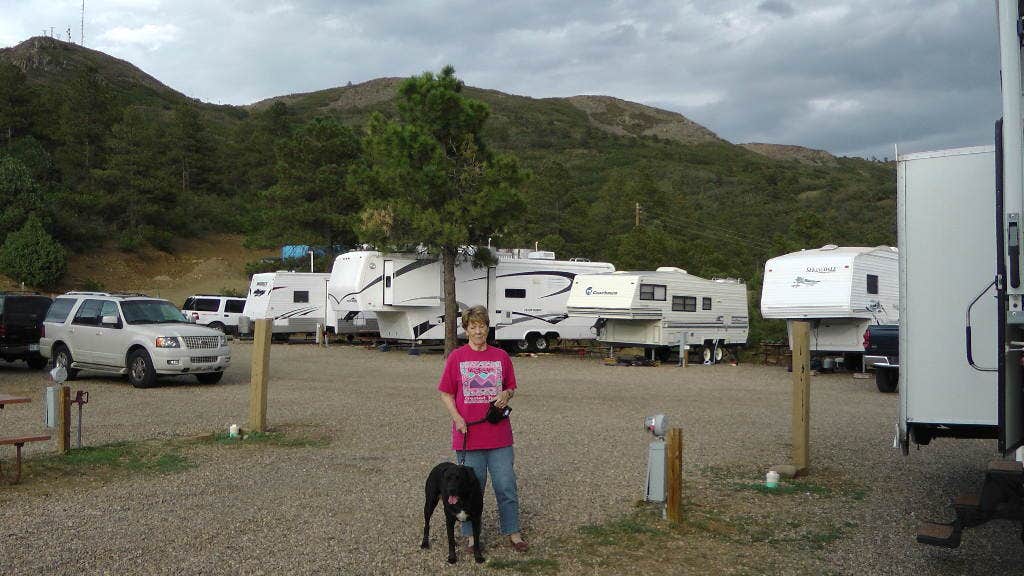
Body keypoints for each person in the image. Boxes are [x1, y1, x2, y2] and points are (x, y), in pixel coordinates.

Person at [437, 305, 528, 553]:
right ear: (466, 330)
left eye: (482, 326)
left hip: (499, 436)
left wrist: (506, 394)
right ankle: (470, 536)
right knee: (468, 490)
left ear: (488, 328)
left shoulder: (501, 357)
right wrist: (457, 417)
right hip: (468, 436)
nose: (478, 331)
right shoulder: (457, 357)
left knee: (506, 485)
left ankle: (513, 531)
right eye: (473, 326)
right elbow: (445, 393)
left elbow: (511, 387)